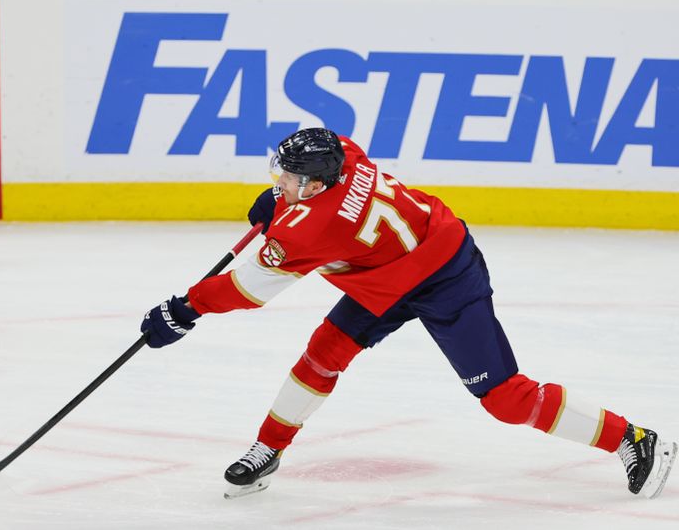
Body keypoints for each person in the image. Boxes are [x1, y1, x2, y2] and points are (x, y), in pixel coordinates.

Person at [140, 128, 677, 500]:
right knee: (323, 352)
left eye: (288, 179)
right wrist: (278, 200)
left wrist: (185, 308)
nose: (279, 180)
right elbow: (313, 202)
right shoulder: (342, 152)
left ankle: (634, 440)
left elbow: (247, 289)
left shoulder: (311, 230)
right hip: (387, 277)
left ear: (317, 184)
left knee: (504, 397)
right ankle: (268, 449)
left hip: (446, 275)